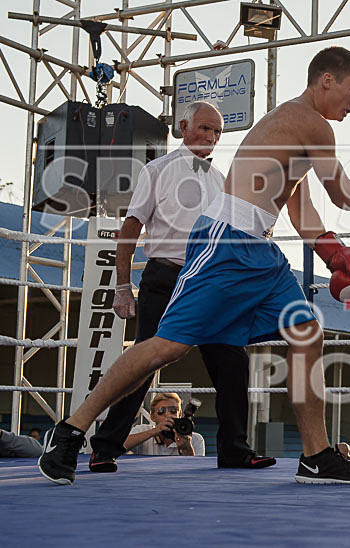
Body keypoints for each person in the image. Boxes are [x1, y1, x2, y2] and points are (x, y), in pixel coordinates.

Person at [38, 46, 350, 486]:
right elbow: (344, 194)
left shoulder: (298, 133)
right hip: (227, 244)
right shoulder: (311, 123)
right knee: (165, 346)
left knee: (307, 333)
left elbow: (300, 211)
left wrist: (335, 254)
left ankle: (316, 456)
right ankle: (71, 431)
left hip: (261, 253)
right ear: (327, 80)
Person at [87, 101, 273, 474]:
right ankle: (104, 447)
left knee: (232, 359)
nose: (211, 137)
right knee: (144, 362)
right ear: (183, 127)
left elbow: (234, 233)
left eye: (217, 132)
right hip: (166, 276)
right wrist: (122, 286)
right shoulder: (156, 170)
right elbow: (130, 227)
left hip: (210, 281)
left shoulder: (221, 180)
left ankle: (234, 449)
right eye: (204, 128)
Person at [124, 393, 205, 456]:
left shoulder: (195, 439)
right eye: (161, 411)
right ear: (152, 417)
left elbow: (197, 470)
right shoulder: (142, 430)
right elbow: (120, 445)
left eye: (173, 410)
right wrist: (154, 431)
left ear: (180, 414)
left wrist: (187, 449)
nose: (168, 415)